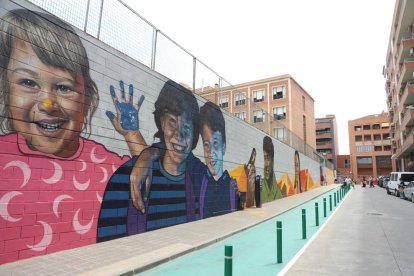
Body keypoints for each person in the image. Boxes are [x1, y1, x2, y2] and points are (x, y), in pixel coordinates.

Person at [0, 9, 144, 262]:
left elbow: (146, 180)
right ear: (5, 89)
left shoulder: (106, 165)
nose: (47, 103)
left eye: (64, 87)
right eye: (28, 83)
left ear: (87, 100)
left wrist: (133, 135)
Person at [261, 136, 282, 203]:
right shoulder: (259, 187)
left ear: (272, 161)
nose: (266, 164)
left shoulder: (277, 190)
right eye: (265, 158)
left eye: (268, 158)